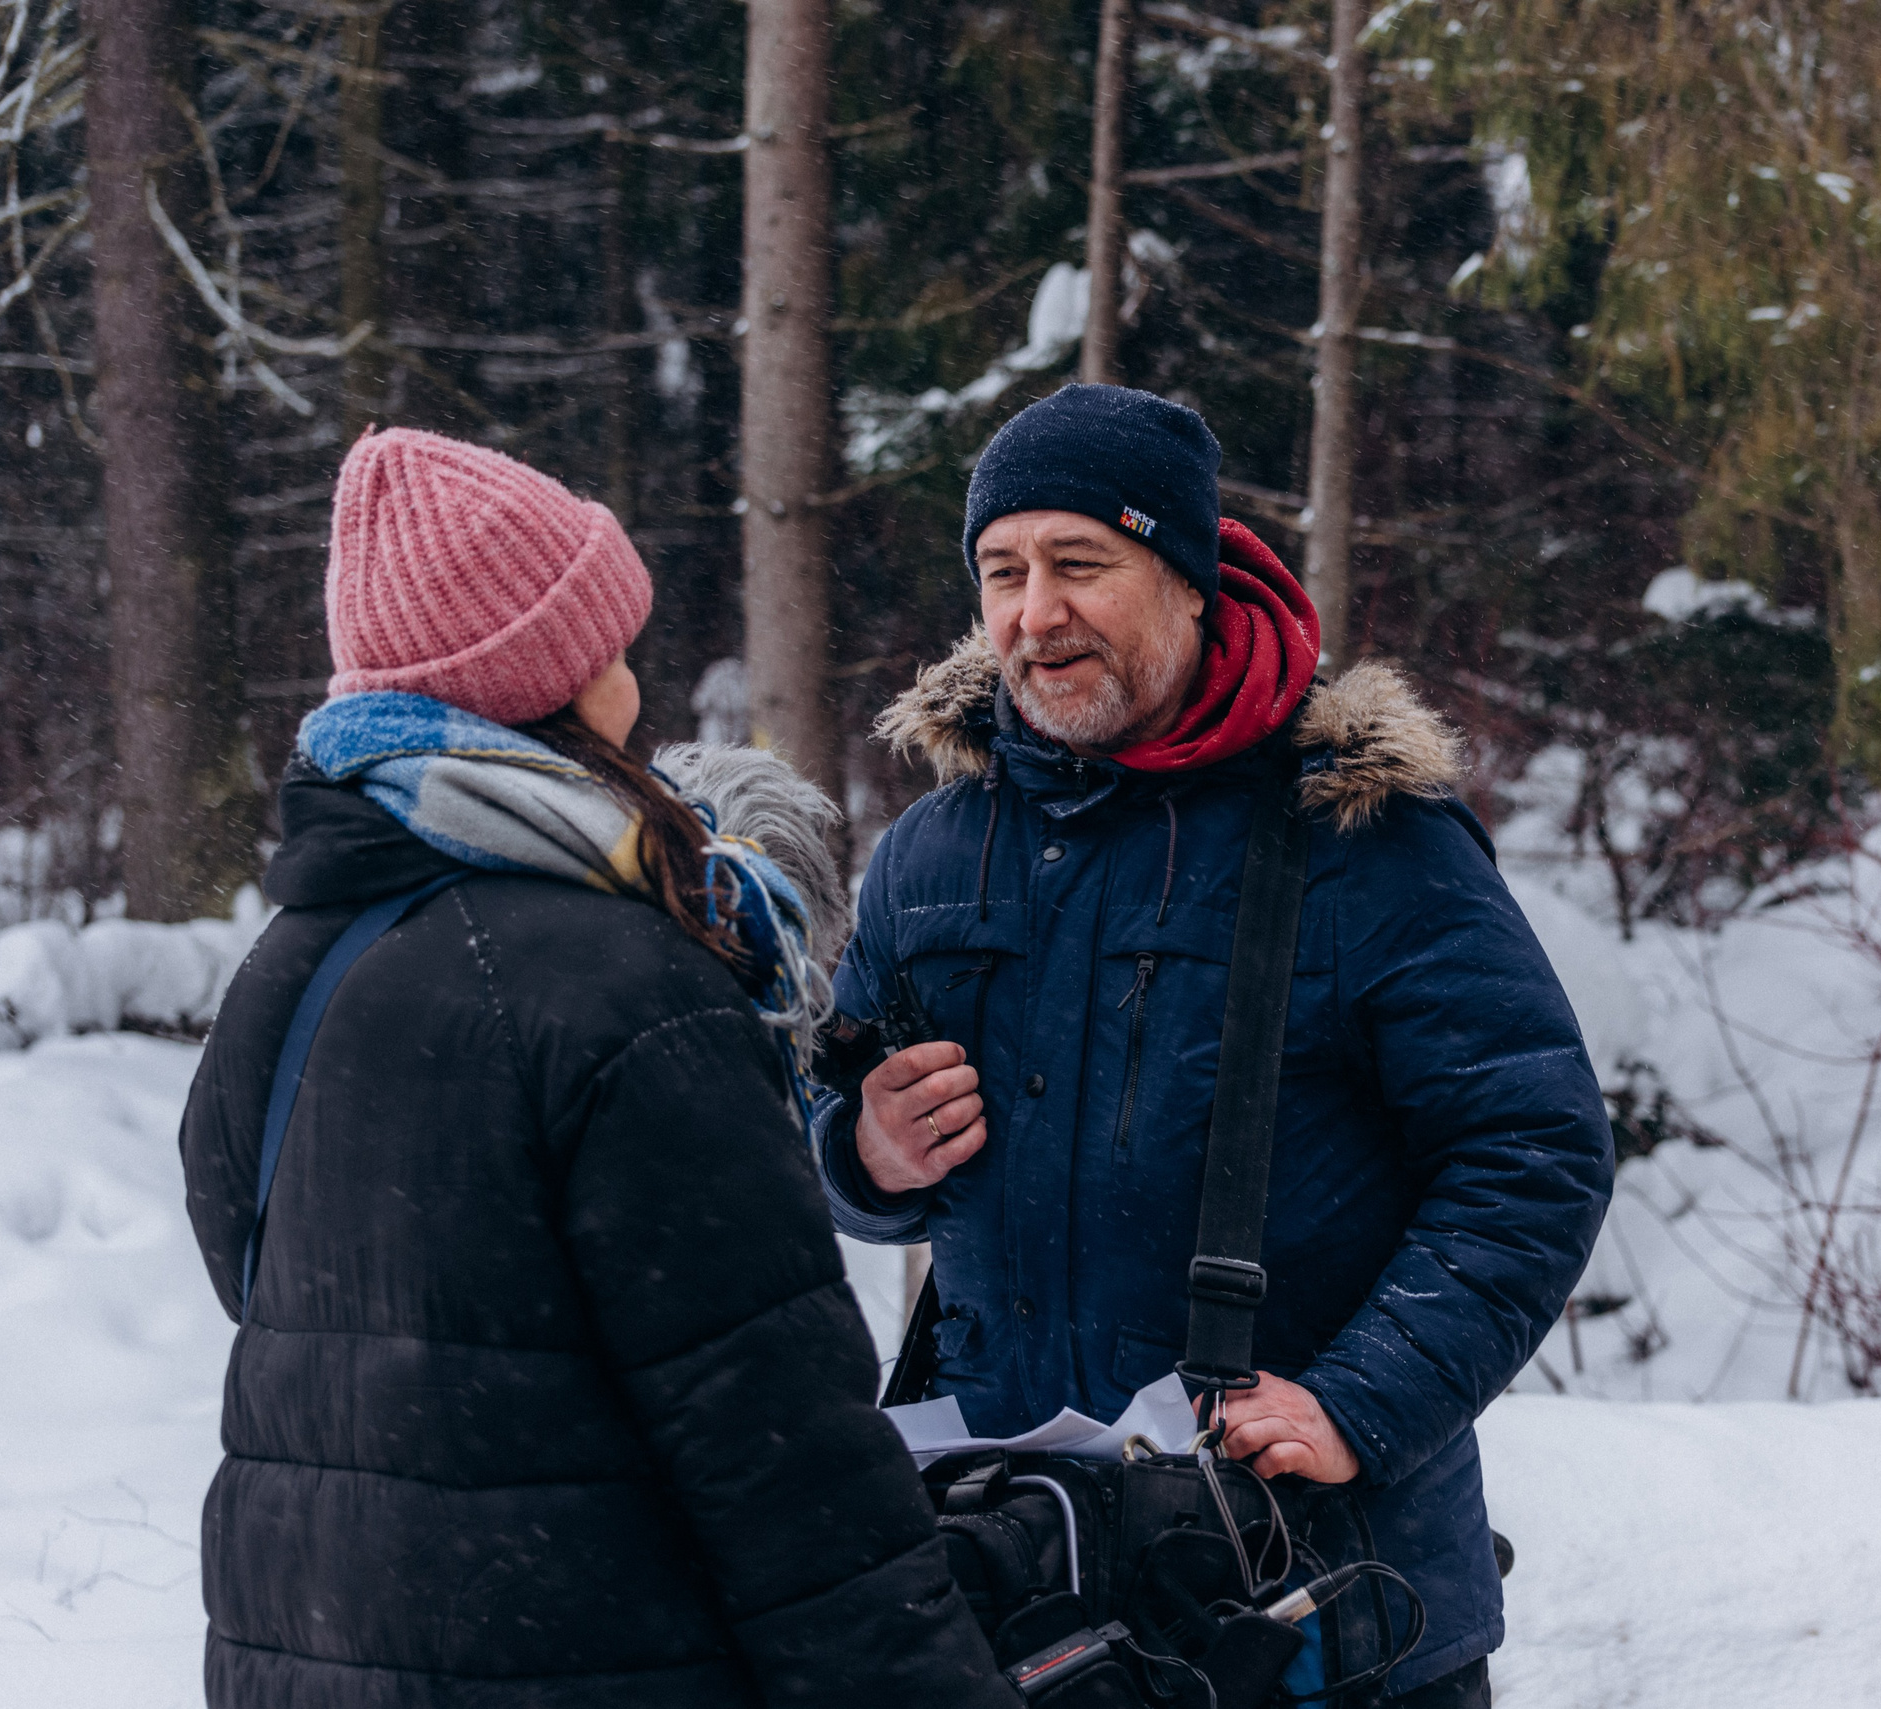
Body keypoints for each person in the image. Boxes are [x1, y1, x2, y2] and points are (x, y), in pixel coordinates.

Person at [180, 427, 1016, 1709]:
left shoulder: (292, 967)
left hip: (305, 1648)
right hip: (579, 1657)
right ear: (553, 684)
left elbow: (284, 1297)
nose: (632, 677)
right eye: (608, 645)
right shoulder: (624, 985)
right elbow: (781, 1446)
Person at [815, 385, 1616, 1706]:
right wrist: (865, 1146)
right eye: (1003, 572)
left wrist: (1362, 1404)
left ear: (1189, 581)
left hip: (1322, 1604)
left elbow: (1531, 1150)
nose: (1034, 611)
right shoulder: (931, 851)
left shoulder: (1367, 839)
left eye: (1081, 564)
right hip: (1029, 1585)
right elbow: (832, 1107)